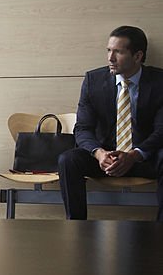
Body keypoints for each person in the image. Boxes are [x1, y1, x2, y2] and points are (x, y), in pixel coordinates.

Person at [58, 26, 163, 221]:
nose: (110, 58)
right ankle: (77, 227)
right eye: (108, 50)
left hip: (144, 157)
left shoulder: (159, 82)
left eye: (118, 52)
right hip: (105, 157)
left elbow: (161, 131)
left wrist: (134, 155)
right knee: (68, 160)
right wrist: (98, 153)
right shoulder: (93, 80)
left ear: (138, 56)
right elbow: (83, 128)